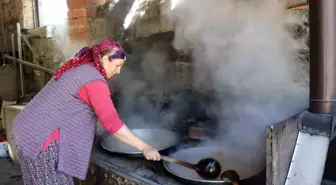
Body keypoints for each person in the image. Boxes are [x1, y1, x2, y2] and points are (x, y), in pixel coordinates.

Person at [12, 40, 161, 185]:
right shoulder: (94, 81)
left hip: (27, 131)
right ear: (105, 59)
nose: (118, 71)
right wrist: (145, 147)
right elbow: (112, 123)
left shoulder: (83, 68)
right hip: (41, 139)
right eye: (117, 65)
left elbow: (76, 109)